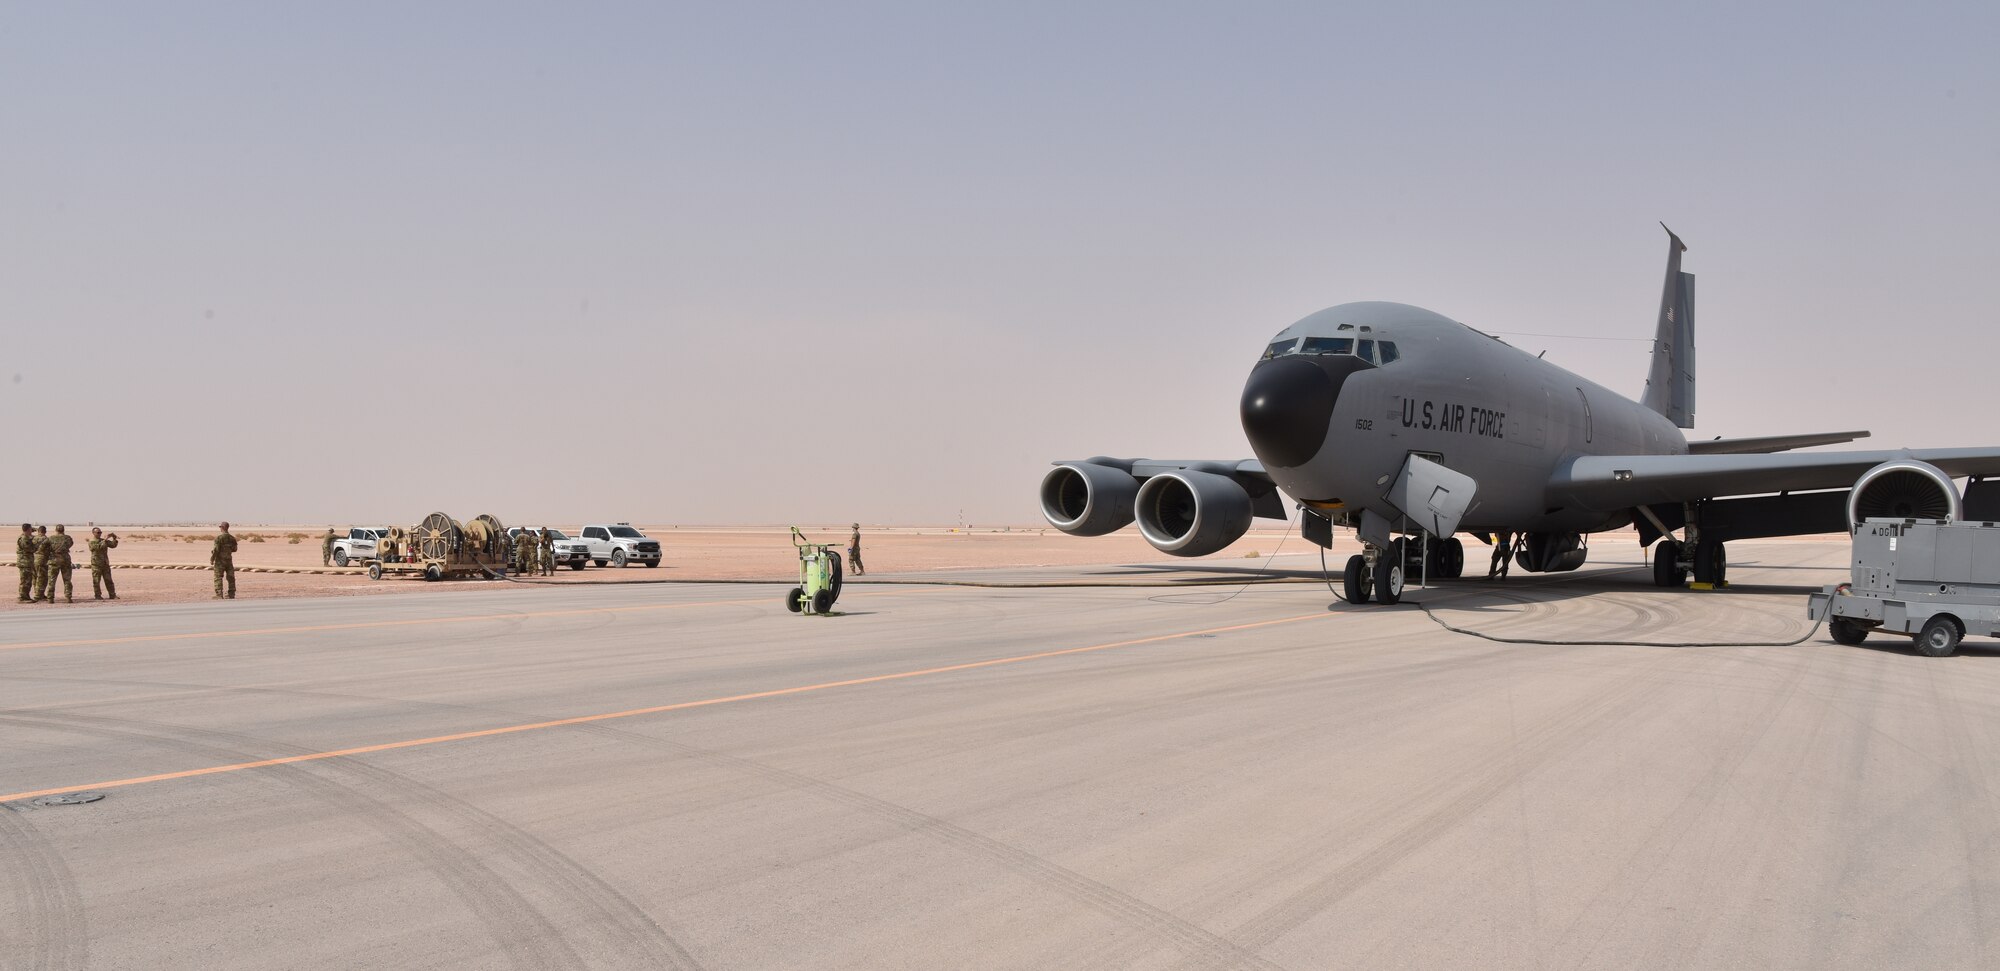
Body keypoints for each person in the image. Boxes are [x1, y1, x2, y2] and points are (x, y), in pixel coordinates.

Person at [44, 524, 75, 604]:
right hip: (65, 560)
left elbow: (43, 547)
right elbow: (70, 544)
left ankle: (50, 598)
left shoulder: (50, 538)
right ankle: (68, 597)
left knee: (52, 580)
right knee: (67, 580)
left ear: (56, 530)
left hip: (53, 560)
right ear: (63, 530)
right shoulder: (67, 538)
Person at [87, 527, 119, 600]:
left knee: (108, 580)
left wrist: (114, 538)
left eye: (100, 532)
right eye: (98, 533)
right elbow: (98, 548)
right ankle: (97, 595)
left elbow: (113, 545)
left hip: (105, 563)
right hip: (96, 564)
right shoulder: (92, 541)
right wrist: (105, 539)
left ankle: (112, 594)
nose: (99, 534)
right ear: (93, 533)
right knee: (96, 581)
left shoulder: (103, 540)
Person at [211, 522, 238, 599]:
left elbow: (216, 550)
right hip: (229, 561)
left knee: (218, 577)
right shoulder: (232, 538)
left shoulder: (219, 538)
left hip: (220, 561)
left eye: (220, 527)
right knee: (231, 577)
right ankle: (231, 594)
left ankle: (219, 594)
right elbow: (235, 549)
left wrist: (212, 559)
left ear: (222, 528)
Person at [30, 525, 50, 602]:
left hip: (33, 559)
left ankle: (37, 592)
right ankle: (39, 594)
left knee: (35, 577)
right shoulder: (46, 539)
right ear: (45, 531)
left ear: (38, 531)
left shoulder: (33, 538)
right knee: (42, 578)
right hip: (42, 560)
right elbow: (49, 551)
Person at [15, 523, 33, 603]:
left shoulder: (26, 537)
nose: (31, 531)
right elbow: (29, 549)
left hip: (26, 561)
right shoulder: (24, 538)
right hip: (24, 562)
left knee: (27, 579)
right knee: (25, 580)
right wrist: (36, 546)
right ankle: (23, 597)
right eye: (31, 529)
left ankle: (26, 596)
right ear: (28, 529)